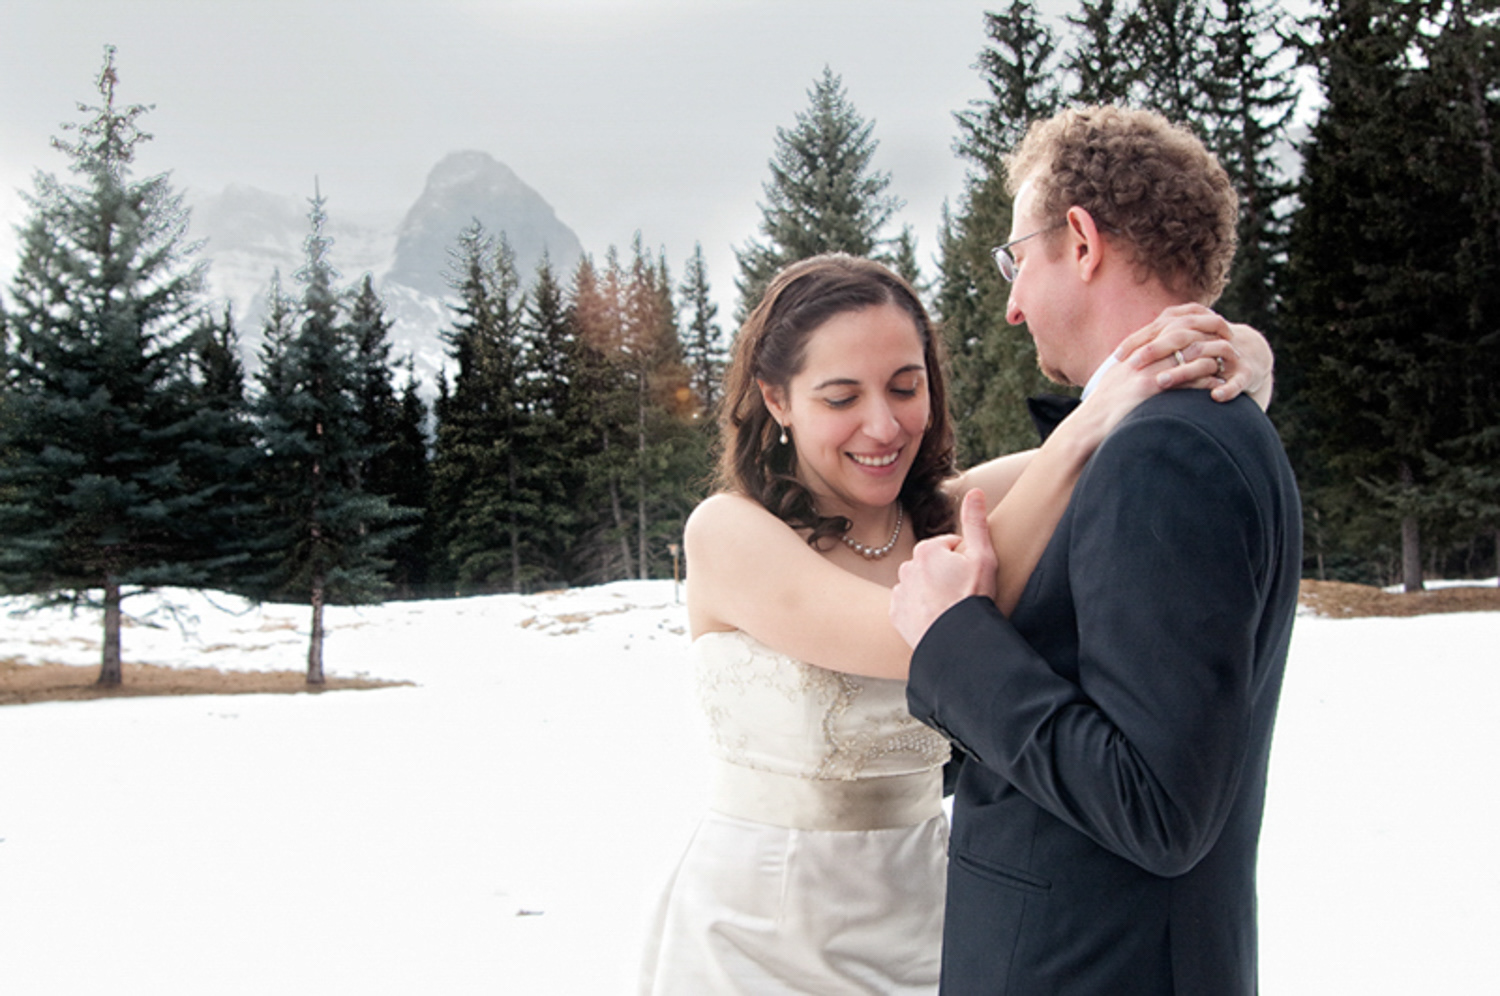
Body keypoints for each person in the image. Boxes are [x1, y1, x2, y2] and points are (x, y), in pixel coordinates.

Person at [639, 251, 1274, 994]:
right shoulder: (728, 532)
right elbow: (913, 637)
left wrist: (1245, 352)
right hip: (756, 935)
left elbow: (1136, 432)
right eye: (842, 397)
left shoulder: (951, 512)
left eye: (906, 387)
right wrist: (1083, 426)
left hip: (930, 917)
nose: (884, 425)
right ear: (776, 399)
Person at [889, 105, 1302, 995]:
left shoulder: (1166, 452)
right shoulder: (1182, 430)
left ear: (1081, 241)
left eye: (1016, 261)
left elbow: (1157, 805)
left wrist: (956, 637)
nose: (1010, 306)